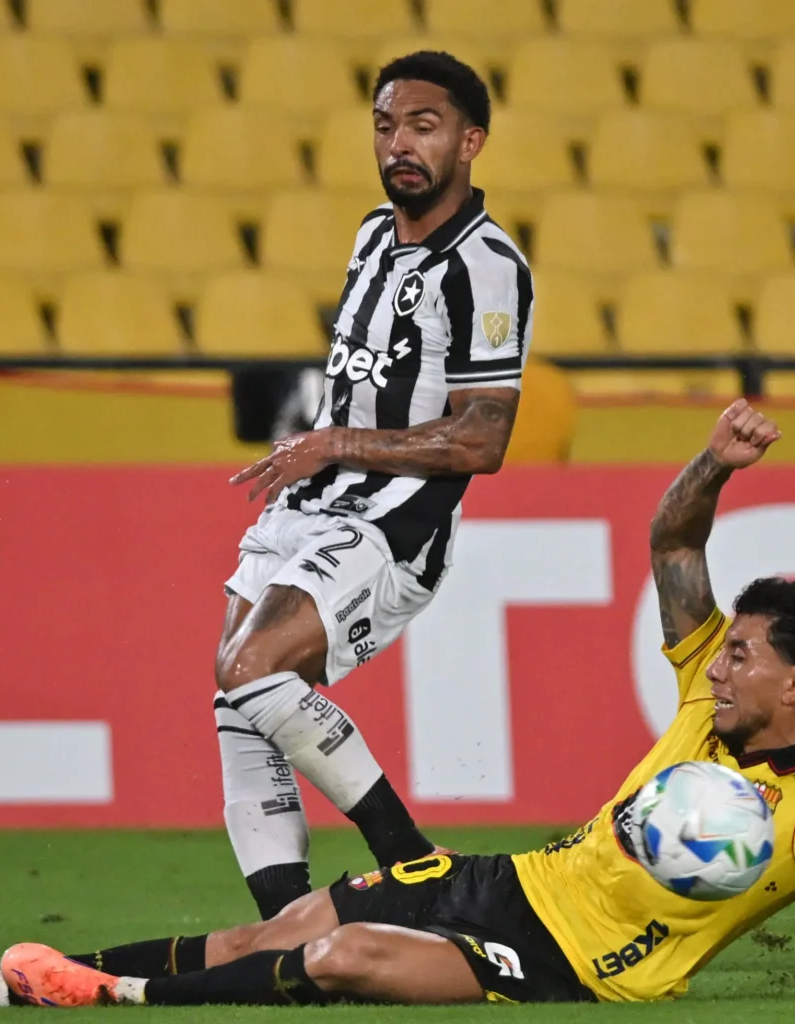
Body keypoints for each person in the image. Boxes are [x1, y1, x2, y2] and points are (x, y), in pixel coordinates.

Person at [0, 400, 795, 1009]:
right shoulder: (709, 702)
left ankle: (99, 997)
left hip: (562, 964)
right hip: (507, 880)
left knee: (342, 956)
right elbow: (674, 541)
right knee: (275, 934)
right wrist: (715, 463)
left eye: (742, 655)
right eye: (725, 648)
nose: (718, 666)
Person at [213, 51, 532, 920]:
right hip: (312, 505)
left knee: (251, 666)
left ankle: (414, 863)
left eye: (423, 127)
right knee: (236, 696)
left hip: (395, 520)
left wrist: (334, 442)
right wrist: (323, 451)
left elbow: (483, 439)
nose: (399, 145)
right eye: (386, 126)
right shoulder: (370, 236)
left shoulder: (487, 267)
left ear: (470, 141)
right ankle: (285, 929)